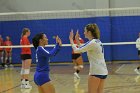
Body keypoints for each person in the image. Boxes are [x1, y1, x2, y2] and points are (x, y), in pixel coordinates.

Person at [69, 23, 108, 93]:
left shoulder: (92, 42)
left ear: (89, 32)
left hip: (96, 72)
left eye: (85, 31)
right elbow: (83, 47)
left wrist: (71, 40)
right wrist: (77, 40)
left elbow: (76, 50)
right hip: (103, 71)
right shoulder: (97, 41)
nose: (84, 33)